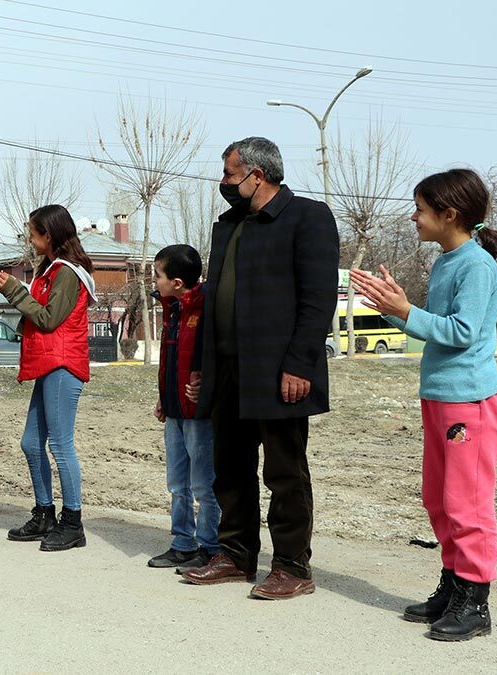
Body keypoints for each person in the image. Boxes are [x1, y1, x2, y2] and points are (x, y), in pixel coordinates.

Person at [181, 137, 338, 600]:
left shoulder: (307, 217)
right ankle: (235, 554)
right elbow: (212, 302)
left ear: (258, 175)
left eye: (230, 174)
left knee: (285, 473)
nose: (224, 183)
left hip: (280, 371)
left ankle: (292, 566)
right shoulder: (228, 225)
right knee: (229, 467)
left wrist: (299, 364)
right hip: (228, 368)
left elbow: (317, 300)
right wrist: (200, 366)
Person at [352, 169, 497, 642]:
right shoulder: (446, 260)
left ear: (449, 214)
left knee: (467, 502)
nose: (413, 217)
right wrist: (401, 307)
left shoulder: (476, 265)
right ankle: (453, 587)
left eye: (420, 208)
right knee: (439, 498)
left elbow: (463, 332)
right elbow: (436, 325)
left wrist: (403, 310)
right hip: (439, 396)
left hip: (468, 401)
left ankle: (474, 602)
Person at [0, 204, 97, 552]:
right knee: (31, 443)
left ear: (48, 235)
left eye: (32, 232)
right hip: (48, 364)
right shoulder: (49, 269)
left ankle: (72, 522)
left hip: (63, 365)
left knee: (60, 445)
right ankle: (44, 513)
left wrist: (13, 291)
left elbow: (50, 319)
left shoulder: (67, 272)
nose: (28, 237)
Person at [148, 244, 220, 572]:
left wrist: (206, 383)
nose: (155, 281)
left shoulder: (206, 306)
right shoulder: (172, 307)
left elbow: (213, 356)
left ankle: (210, 546)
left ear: (177, 281)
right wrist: (164, 396)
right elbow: (169, 359)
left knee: (204, 484)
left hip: (198, 414)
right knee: (177, 483)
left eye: (158, 275)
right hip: (174, 410)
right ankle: (182, 543)